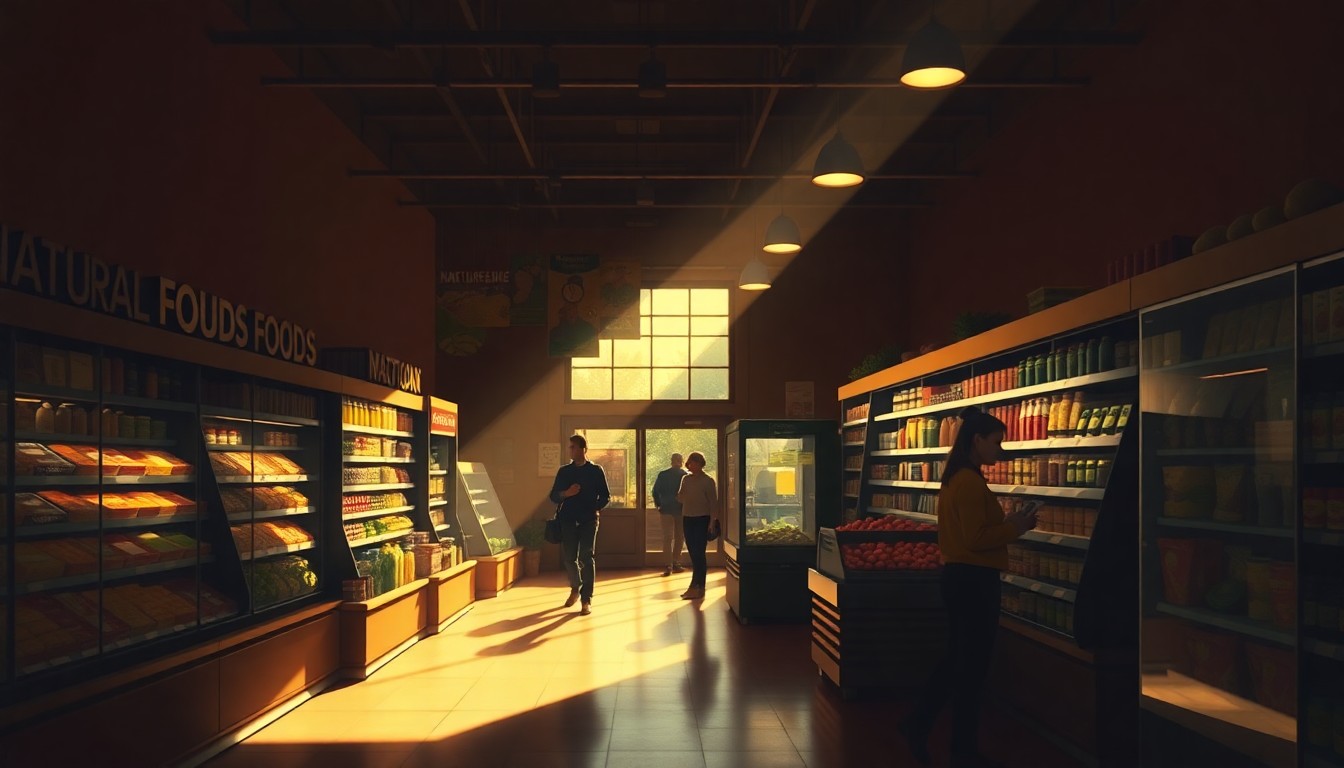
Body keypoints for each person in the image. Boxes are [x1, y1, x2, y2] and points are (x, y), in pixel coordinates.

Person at [901, 407, 1038, 768]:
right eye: (996, 442)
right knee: (971, 669)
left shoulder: (959, 478)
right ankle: (957, 747)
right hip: (974, 581)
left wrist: (1006, 522)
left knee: (957, 662)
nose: (1000, 450)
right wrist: (1017, 527)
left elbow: (971, 531)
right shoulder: (968, 482)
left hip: (961, 578)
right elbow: (976, 538)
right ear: (976, 440)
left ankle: (922, 726)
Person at [548, 434, 610, 615]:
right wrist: (567, 493)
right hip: (567, 520)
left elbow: (606, 495)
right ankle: (575, 588)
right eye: (570, 447)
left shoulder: (596, 471)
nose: (570, 450)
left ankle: (586, 599)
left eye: (573, 447)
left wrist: (596, 508)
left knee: (586, 557)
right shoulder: (564, 471)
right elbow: (553, 496)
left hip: (589, 520)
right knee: (569, 558)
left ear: (583, 449)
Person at [676, 451, 719, 600]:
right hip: (688, 518)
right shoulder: (685, 479)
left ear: (701, 464)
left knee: (699, 554)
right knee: (693, 552)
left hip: (702, 519)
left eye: (695, 462)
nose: (692, 465)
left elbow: (713, 502)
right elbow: (680, 497)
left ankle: (699, 586)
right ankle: (695, 586)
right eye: (690, 462)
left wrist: (712, 522)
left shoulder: (708, 481)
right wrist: (682, 496)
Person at [651, 453, 689, 577]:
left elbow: (655, 491)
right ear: (681, 461)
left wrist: (658, 504)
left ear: (671, 461)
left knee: (667, 538)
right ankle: (676, 562)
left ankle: (668, 565)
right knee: (679, 536)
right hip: (681, 509)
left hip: (666, 508)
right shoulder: (685, 475)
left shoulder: (663, 475)